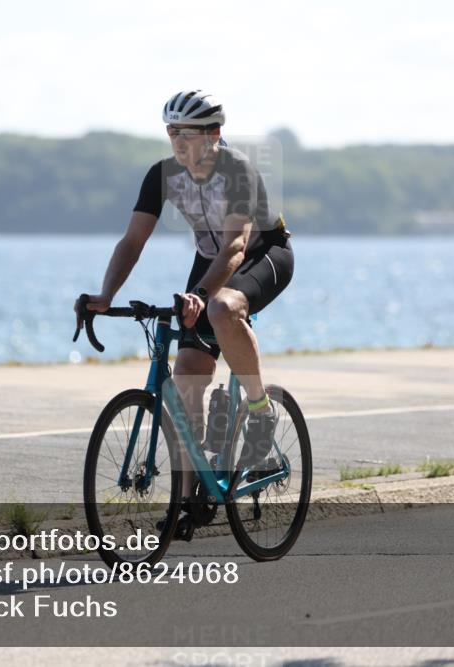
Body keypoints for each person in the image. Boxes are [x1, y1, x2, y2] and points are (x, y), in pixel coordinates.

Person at [76, 90, 294, 521]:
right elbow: (133, 240)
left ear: (214, 134)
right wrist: (106, 295)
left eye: (189, 134)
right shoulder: (161, 175)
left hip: (262, 254)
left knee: (221, 309)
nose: (179, 141)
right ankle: (190, 494)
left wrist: (201, 294)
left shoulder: (238, 172)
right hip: (210, 262)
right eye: (172, 131)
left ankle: (259, 411)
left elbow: (235, 245)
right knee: (186, 378)